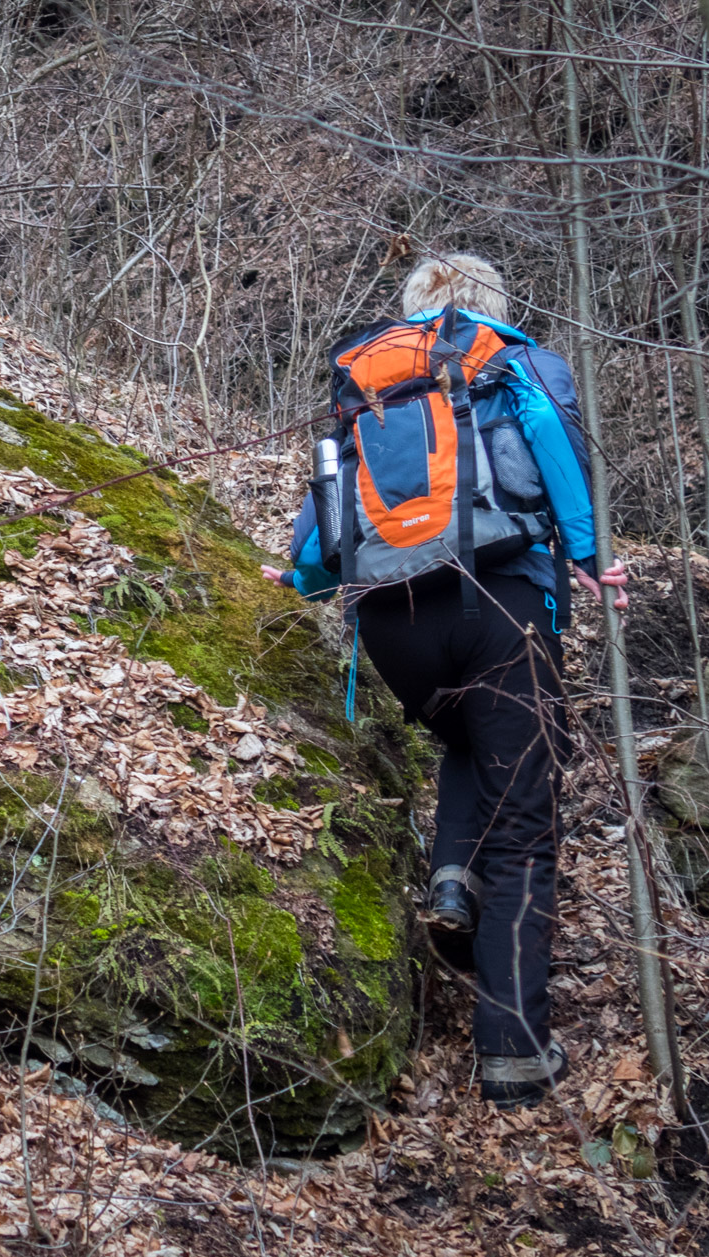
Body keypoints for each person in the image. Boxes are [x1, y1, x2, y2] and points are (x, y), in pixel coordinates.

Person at [261, 253, 628, 1108]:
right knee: (527, 826)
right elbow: (555, 446)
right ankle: (514, 1055)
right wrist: (586, 553)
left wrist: (304, 576)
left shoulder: (369, 380)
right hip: (500, 602)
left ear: (412, 311)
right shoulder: (515, 358)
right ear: (486, 305)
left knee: (465, 734)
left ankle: (451, 875)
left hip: (393, 622)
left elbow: (325, 514)